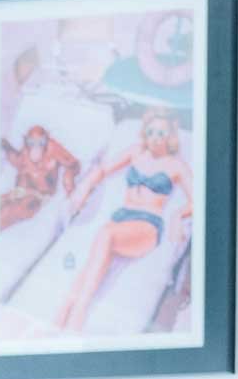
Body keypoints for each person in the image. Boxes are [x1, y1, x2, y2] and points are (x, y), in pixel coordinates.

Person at [53, 110, 193, 333]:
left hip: (147, 226)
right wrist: (83, 188)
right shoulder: (136, 152)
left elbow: (200, 199)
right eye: (151, 131)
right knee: (98, 252)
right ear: (144, 134)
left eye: (161, 133)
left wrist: (178, 215)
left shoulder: (176, 165)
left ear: (170, 137)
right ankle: (67, 306)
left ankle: (77, 309)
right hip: (122, 218)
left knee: (105, 235)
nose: (155, 137)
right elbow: (103, 169)